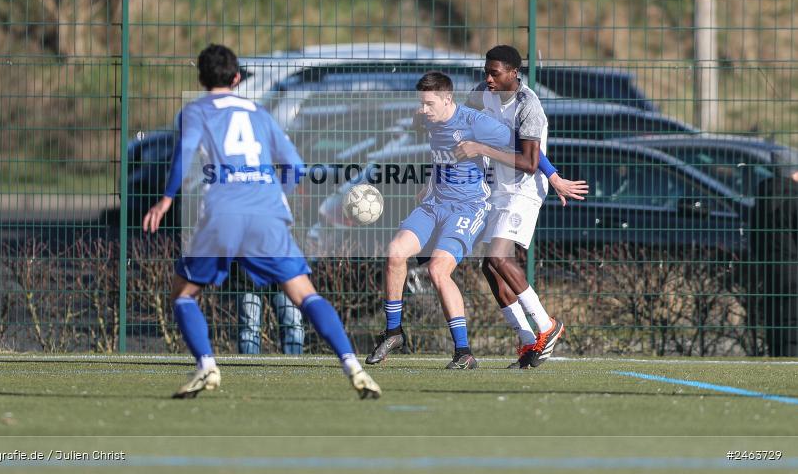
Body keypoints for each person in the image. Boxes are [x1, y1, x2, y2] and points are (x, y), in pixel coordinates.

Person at [143, 43, 381, 399]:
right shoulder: (259, 112)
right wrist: (278, 195)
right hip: (268, 211)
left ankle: (206, 366)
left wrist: (165, 201)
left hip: (223, 211)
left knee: (184, 294)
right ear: (237, 78)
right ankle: (353, 367)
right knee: (304, 294)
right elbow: (296, 168)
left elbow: (183, 155)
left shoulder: (194, 111)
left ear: (200, 78)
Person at [365, 71, 567, 369]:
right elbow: (431, 139)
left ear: (448, 100)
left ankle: (463, 352)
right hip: (433, 203)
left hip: (467, 209)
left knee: (438, 270)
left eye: (429, 103)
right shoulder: (427, 119)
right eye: (421, 103)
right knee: (395, 254)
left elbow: (524, 148)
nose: (423, 109)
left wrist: (553, 176)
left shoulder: (475, 123)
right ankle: (394, 332)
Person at [458, 45, 588, 369]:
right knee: (489, 267)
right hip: (497, 189)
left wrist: (550, 176)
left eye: (495, 73)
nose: (488, 78)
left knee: (499, 257)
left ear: (513, 73)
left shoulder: (529, 105)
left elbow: (530, 161)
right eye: (485, 71)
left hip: (524, 190)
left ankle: (547, 326)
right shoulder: (481, 93)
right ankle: (530, 343)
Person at [749, 153, 798, 357]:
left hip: (770, 269)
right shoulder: (794, 197)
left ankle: (777, 358)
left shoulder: (763, 196)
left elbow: (755, 237)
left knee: (775, 320)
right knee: (793, 322)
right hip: (794, 271)